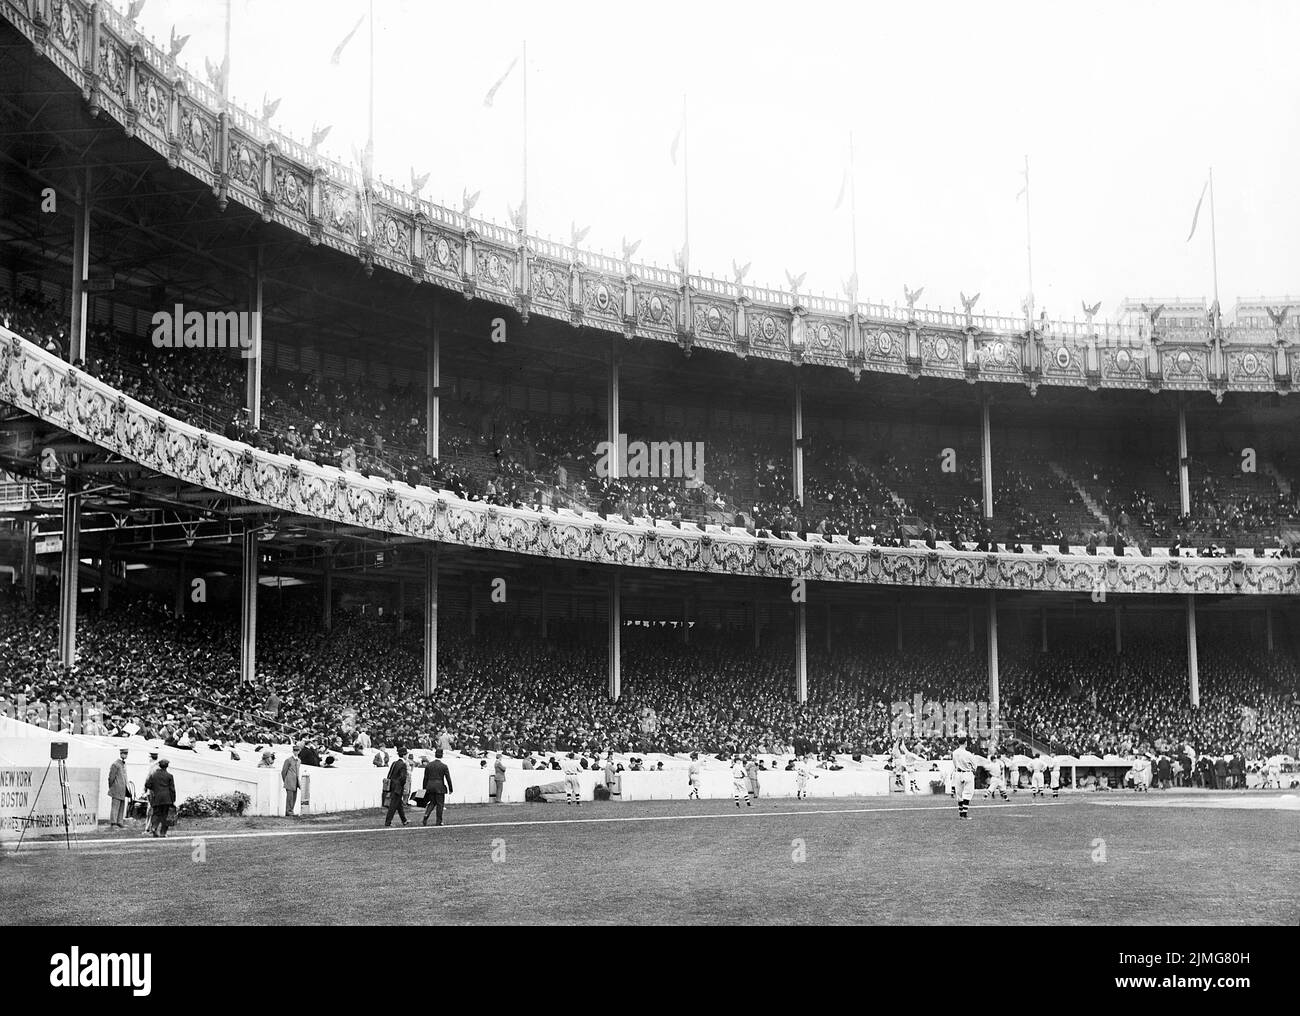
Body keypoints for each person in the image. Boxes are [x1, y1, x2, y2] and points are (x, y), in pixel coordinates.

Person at [143, 758, 176, 837]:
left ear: (159, 765)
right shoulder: (169, 776)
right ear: (167, 766)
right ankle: (163, 833)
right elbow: (172, 789)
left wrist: (154, 788)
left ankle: (154, 827)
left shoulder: (153, 775)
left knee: (156, 814)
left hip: (156, 797)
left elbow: (147, 785)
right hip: (167, 798)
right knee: (165, 815)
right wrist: (173, 799)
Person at [422, 749, 454, 826]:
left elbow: (425, 778)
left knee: (432, 802)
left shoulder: (429, 765)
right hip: (439, 786)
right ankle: (438, 821)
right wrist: (450, 788)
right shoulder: (444, 766)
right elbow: (448, 778)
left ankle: (426, 814)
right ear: (442, 755)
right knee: (440, 804)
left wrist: (424, 788)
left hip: (430, 786)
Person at [951, 738, 978, 819]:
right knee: (967, 793)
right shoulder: (968, 754)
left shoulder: (955, 752)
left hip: (958, 773)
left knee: (959, 794)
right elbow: (975, 765)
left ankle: (961, 814)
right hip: (967, 773)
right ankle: (964, 814)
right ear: (965, 743)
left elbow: (954, 763)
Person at [384, 747, 410, 827]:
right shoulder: (403, 764)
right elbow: (403, 777)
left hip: (392, 785)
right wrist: (402, 786)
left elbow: (390, 774)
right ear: (404, 755)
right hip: (398, 787)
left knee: (399, 804)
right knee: (393, 805)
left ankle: (404, 820)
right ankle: (388, 822)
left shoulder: (394, 763)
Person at [107, 748, 130, 828]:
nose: (125, 755)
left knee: (121, 806)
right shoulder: (115, 764)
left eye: (126, 753)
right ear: (120, 754)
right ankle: (113, 822)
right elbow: (111, 777)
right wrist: (111, 787)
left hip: (123, 788)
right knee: (115, 806)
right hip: (116, 788)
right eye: (124, 753)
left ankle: (119, 821)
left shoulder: (123, 764)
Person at [282, 747, 301, 817]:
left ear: (299, 751)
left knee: (294, 797)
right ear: (293, 751)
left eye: (297, 751)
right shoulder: (288, 760)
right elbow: (283, 771)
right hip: (289, 781)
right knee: (289, 797)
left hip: (295, 781)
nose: (296, 752)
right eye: (294, 751)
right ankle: (288, 812)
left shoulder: (299, 760)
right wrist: (286, 780)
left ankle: (291, 811)